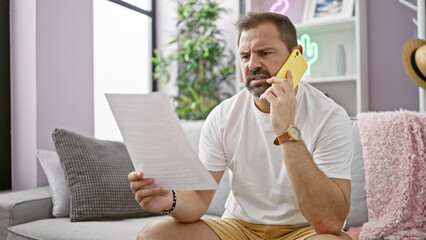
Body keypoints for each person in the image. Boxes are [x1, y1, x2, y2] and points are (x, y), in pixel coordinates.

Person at [128, 12, 353, 240]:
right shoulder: (222, 116)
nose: (252, 64)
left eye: (265, 53)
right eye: (245, 56)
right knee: (154, 235)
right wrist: (169, 199)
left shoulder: (329, 116)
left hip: (305, 231)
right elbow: (198, 200)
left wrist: (286, 130)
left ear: (296, 56)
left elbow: (330, 222)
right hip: (240, 228)